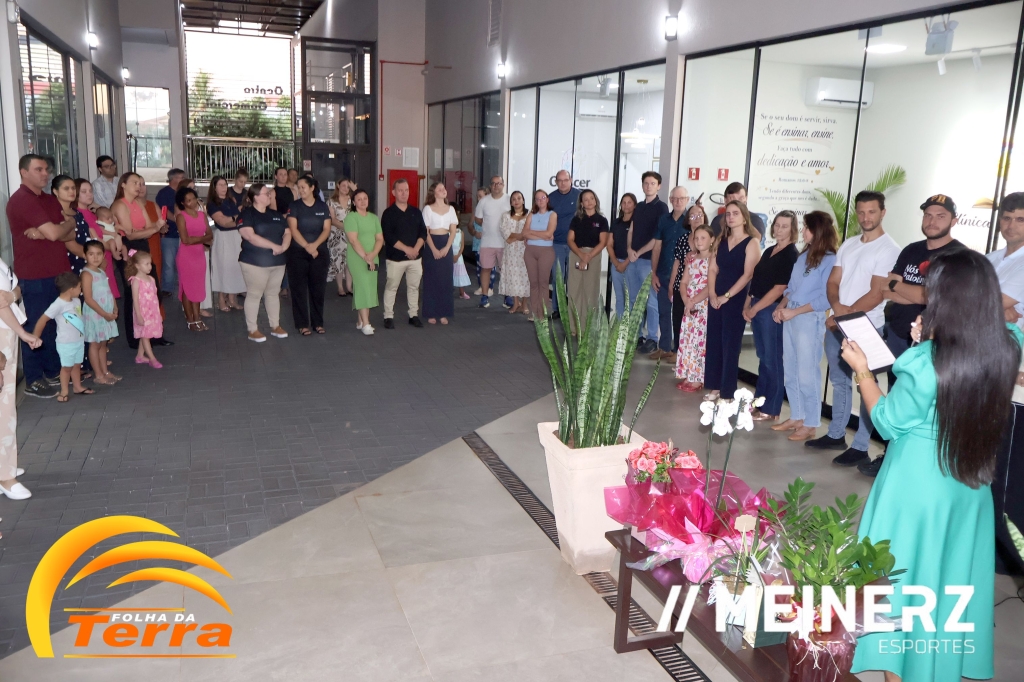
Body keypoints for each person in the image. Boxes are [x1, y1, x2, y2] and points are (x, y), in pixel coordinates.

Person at [843, 248, 1019, 682]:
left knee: (902, 586)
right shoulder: (1007, 346)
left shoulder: (925, 364)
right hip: (969, 486)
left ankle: (903, 669)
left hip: (916, 489)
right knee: (949, 580)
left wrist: (863, 371)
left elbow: (888, 421)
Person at [855, 194, 964, 477]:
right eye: (928, 215)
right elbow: (888, 289)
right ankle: (891, 455)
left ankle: (914, 461)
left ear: (954, 220)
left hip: (932, 343)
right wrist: (919, 293)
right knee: (895, 397)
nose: (932, 221)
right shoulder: (911, 250)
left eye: (940, 216)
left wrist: (908, 290)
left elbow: (935, 298)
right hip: (898, 335)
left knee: (924, 401)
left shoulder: (958, 256)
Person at [807, 191, 901, 466]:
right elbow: (833, 281)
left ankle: (861, 446)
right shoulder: (848, 244)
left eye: (871, 211)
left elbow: (877, 293)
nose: (865, 217)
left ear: (883, 212)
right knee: (839, 382)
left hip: (866, 326)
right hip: (838, 322)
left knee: (865, 384)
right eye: (861, 212)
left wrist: (842, 316)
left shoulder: (889, 249)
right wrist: (837, 309)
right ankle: (836, 434)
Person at [6, 154, 76, 398]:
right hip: (34, 275)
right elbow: (57, 233)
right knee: (37, 324)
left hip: (58, 271)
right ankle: (34, 379)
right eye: (39, 169)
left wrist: (63, 226)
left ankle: (51, 370)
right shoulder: (22, 200)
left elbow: (69, 233)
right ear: (24, 172)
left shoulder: (49, 199)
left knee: (55, 325)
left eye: (46, 169)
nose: (45, 174)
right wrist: (62, 227)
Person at [771, 211, 839, 442]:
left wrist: (794, 311)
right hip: (791, 315)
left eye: (807, 228)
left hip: (809, 318)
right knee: (790, 368)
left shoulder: (830, 259)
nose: (803, 231)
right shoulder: (804, 256)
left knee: (807, 372)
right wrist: (781, 307)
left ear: (818, 230)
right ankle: (797, 416)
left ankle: (811, 423)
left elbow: (825, 299)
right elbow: (791, 288)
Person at [985, 191, 1024, 576]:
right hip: (990, 369)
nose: (1011, 225)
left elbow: (985, 304)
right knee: (990, 461)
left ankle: (1007, 553)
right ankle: (989, 537)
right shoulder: (993, 259)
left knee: (1010, 470)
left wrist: (998, 307)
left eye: (1020, 219)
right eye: (1007, 218)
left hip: (1017, 378)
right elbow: (986, 304)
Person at [743, 211, 799, 422]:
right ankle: (759, 401)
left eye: (784, 226)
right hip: (758, 306)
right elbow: (756, 280)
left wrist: (755, 309)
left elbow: (779, 289)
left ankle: (772, 408)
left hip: (770, 310)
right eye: (777, 225)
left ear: (792, 230)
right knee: (763, 357)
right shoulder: (769, 251)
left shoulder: (791, 255)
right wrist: (748, 303)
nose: (779, 229)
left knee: (772, 359)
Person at [703, 201, 761, 402]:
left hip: (735, 299)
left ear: (744, 217)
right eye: (728, 214)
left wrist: (726, 296)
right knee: (714, 342)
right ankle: (715, 387)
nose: (731, 217)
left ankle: (727, 392)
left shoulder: (752, 243)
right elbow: (712, 269)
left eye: (735, 213)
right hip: (716, 297)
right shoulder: (721, 240)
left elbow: (748, 275)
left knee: (730, 345)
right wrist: (712, 294)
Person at [112, 172, 173, 351]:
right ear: (123, 185)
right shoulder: (120, 205)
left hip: (142, 246)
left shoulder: (138, 203)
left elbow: (147, 227)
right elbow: (130, 234)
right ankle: (135, 338)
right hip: (129, 248)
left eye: (140, 183)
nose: (139, 186)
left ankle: (153, 333)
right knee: (133, 294)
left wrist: (154, 227)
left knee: (153, 291)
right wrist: (153, 228)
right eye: (135, 183)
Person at [0, 255, 42, 499]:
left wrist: (12, 296)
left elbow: (13, 288)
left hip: (7, 331)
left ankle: (5, 464)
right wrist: (24, 334)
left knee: (6, 406)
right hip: (3, 333)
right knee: (4, 407)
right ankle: (5, 477)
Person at [237, 184, 290, 342]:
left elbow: (287, 232)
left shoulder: (276, 214)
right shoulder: (247, 214)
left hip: (277, 262)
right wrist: (274, 246)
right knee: (254, 294)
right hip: (254, 262)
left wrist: (283, 247)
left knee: (273, 294)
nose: (270, 196)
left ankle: (275, 326)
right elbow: (250, 236)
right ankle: (252, 329)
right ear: (255, 197)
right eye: (266, 193)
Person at [628, 171, 669, 354]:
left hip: (648, 261)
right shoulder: (639, 207)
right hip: (633, 260)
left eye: (652, 183)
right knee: (634, 300)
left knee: (651, 302)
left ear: (658, 186)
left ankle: (652, 338)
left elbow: (657, 238)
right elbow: (631, 230)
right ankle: (637, 336)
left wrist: (639, 252)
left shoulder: (661, 208)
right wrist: (630, 249)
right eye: (646, 183)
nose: (649, 186)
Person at [33, 271, 91, 401]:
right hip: (66, 343)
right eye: (79, 287)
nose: (81, 290)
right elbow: (43, 320)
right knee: (66, 368)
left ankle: (77, 387)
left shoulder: (76, 301)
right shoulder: (58, 304)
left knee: (77, 365)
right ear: (71, 289)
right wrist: (35, 337)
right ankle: (64, 391)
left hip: (78, 340)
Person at [287, 175, 332, 335]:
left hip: (319, 253)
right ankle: (302, 324)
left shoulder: (322, 206)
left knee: (318, 290)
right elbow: (293, 229)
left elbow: (326, 229)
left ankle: (318, 323)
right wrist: (307, 246)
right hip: (297, 253)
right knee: (298, 290)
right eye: (298, 188)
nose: (300, 190)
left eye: (303, 187)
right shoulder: (294, 206)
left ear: (312, 188)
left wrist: (315, 245)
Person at [650, 186, 691, 359]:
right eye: (675, 198)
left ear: (687, 200)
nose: (678, 201)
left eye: (682, 198)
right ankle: (665, 347)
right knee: (664, 312)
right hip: (663, 272)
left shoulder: (691, 220)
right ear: (670, 200)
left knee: (680, 315)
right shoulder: (663, 220)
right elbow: (657, 247)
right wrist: (654, 273)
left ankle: (678, 351)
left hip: (684, 276)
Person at [380, 178, 426, 330]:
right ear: (393, 192)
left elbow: (423, 233)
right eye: (400, 190)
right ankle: (388, 316)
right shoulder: (388, 213)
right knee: (391, 287)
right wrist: (407, 249)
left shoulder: (416, 212)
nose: (404, 193)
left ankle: (413, 315)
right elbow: (389, 237)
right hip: (396, 259)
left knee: (414, 287)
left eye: (406, 190)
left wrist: (416, 249)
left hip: (415, 259)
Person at [675, 225, 714, 392]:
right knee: (689, 338)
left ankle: (699, 376)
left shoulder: (713, 259)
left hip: (702, 305)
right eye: (696, 238)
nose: (699, 241)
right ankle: (689, 373)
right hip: (689, 305)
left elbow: (710, 285)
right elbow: (684, 282)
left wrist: (694, 301)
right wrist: (686, 300)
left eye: (703, 238)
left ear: (712, 240)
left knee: (700, 341)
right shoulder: (691, 259)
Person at [566, 189, 609, 331]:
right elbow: (570, 239)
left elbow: (603, 242)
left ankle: (588, 328)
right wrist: (581, 254)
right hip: (576, 254)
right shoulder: (576, 220)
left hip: (594, 256)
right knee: (574, 290)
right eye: (586, 199)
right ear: (581, 204)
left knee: (591, 291)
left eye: (592, 198)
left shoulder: (601, 220)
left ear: (595, 201)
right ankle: (574, 327)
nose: (589, 201)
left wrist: (588, 256)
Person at [670, 203, 709, 351]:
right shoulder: (682, 239)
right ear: (688, 220)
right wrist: (671, 285)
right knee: (679, 321)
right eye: (692, 216)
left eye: (699, 215)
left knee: (698, 328)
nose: (697, 218)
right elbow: (676, 263)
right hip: (682, 286)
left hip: (702, 290)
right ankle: (680, 354)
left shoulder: (712, 240)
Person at [80, 240, 119, 385]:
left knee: (103, 343)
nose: (95, 257)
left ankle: (105, 371)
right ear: (85, 255)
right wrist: (104, 314)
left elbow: (108, 291)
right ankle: (98, 374)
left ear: (103, 255)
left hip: (105, 312)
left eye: (98, 254)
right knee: (95, 344)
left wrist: (114, 306)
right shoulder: (86, 274)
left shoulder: (101, 271)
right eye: (91, 254)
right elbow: (88, 298)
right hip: (95, 314)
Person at [174, 186, 213, 332]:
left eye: (194, 198)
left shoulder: (202, 215)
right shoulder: (181, 216)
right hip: (186, 257)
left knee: (197, 287)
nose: (193, 202)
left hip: (199, 255)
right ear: (183, 203)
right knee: (186, 288)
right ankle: (190, 320)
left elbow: (210, 235)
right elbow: (185, 240)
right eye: (189, 200)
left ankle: (197, 318)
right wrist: (202, 239)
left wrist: (196, 239)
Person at [346, 188, 384, 334]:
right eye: (359, 199)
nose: (362, 201)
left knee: (369, 287)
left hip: (372, 256)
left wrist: (372, 255)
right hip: (357, 257)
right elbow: (353, 240)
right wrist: (366, 257)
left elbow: (379, 239)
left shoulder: (373, 218)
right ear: (354, 202)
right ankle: (366, 324)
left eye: (365, 198)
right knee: (362, 286)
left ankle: (360, 321)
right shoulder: (351, 217)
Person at [75, 180, 120, 299]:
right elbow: (94, 238)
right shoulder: (79, 214)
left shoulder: (92, 213)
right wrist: (112, 246)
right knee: (100, 295)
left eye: (90, 191)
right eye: (84, 191)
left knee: (108, 295)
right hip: (96, 256)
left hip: (105, 255)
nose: (89, 194)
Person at [207, 176, 246, 312]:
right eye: (220, 185)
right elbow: (222, 222)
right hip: (223, 237)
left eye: (225, 184)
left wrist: (235, 219)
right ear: (214, 188)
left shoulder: (231, 200)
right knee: (223, 268)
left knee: (235, 267)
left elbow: (233, 219)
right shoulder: (212, 204)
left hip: (236, 236)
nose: (224, 188)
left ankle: (232, 298)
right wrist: (237, 218)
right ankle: (221, 299)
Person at [421, 182, 457, 325]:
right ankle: (431, 312)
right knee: (431, 279)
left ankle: (443, 312)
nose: (443, 190)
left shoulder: (451, 209)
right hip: (432, 243)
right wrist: (434, 249)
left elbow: (453, 231)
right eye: (439, 189)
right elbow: (426, 231)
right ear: (434, 193)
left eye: (444, 188)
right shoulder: (428, 209)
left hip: (446, 242)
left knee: (445, 279)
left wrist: (447, 247)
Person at [548, 171, 582, 316]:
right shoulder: (551, 198)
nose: (562, 183)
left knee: (573, 278)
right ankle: (557, 309)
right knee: (558, 278)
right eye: (560, 180)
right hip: (556, 244)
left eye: (565, 180)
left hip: (575, 245)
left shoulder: (579, 196)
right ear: (555, 181)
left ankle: (572, 309)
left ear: (571, 180)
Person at [522, 190, 557, 321]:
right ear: (535, 201)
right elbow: (524, 233)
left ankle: (542, 314)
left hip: (546, 251)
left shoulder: (552, 215)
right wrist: (542, 234)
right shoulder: (531, 215)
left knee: (543, 283)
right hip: (530, 251)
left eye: (543, 198)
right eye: (537, 199)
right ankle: (534, 313)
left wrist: (532, 233)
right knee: (533, 283)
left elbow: (549, 234)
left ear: (547, 199)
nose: (540, 200)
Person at [124, 251, 164, 367]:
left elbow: (155, 297)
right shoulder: (136, 281)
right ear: (137, 266)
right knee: (145, 335)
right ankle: (152, 358)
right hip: (142, 312)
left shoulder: (151, 279)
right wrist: (138, 315)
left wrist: (158, 313)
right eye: (146, 264)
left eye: (150, 263)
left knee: (146, 334)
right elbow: (135, 300)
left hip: (152, 312)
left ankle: (140, 356)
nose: (150, 266)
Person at [474, 176, 508, 308]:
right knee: (485, 269)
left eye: (499, 183)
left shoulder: (509, 200)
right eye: (493, 183)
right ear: (490, 186)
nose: (496, 186)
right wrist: (488, 225)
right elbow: (478, 219)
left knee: (505, 271)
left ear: (503, 185)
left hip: (505, 243)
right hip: (487, 242)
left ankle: (508, 297)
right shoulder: (484, 201)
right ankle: (484, 296)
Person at [499, 190, 531, 316]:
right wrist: (520, 236)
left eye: (519, 198)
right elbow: (506, 234)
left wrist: (516, 236)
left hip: (526, 250)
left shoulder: (530, 215)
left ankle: (525, 304)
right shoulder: (505, 216)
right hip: (511, 252)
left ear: (523, 200)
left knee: (526, 277)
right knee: (513, 277)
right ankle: (516, 302)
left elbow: (529, 233)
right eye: (513, 199)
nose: (516, 201)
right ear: (511, 202)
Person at [51, 175, 91, 276]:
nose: (71, 191)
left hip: (87, 257)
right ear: (55, 191)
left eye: (73, 188)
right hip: (71, 261)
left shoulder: (76, 212)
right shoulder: (56, 213)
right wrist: (94, 257)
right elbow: (71, 246)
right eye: (66, 188)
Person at [155, 168, 186, 297]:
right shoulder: (164, 193)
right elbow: (164, 210)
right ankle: (167, 287)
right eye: (181, 177)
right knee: (169, 262)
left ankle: (184, 286)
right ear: (173, 179)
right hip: (169, 233)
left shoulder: (184, 193)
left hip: (184, 233)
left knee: (183, 262)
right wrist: (178, 221)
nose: (183, 180)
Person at [607, 193, 636, 320]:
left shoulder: (637, 223)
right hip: (616, 264)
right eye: (624, 202)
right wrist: (616, 262)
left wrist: (625, 263)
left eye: (629, 202)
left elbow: (637, 246)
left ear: (634, 205)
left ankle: (630, 326)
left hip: (631, 263)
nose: (626, 205)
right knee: (619, 297)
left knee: (631, 298)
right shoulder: (616, 222)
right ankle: (619, 325)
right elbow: (609, 244)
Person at [327, 178, 354, 297]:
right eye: (343, 185)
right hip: (337, 235)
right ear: (338, 185)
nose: (345, 188)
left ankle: (349, 286)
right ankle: (340, 287)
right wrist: (346, 227)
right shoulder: (331, 201)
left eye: (348, 187)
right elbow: (332, 219)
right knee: (338, 261)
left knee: (349, 261)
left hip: (351, 235)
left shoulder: (352, 200)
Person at [453, 226, 471, 299]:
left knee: (459, 273)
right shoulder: (447, 232)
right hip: (449, 255)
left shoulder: (460, 232)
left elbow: (462, 246)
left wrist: (457, 256)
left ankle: (462, 292)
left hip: (458, 256)